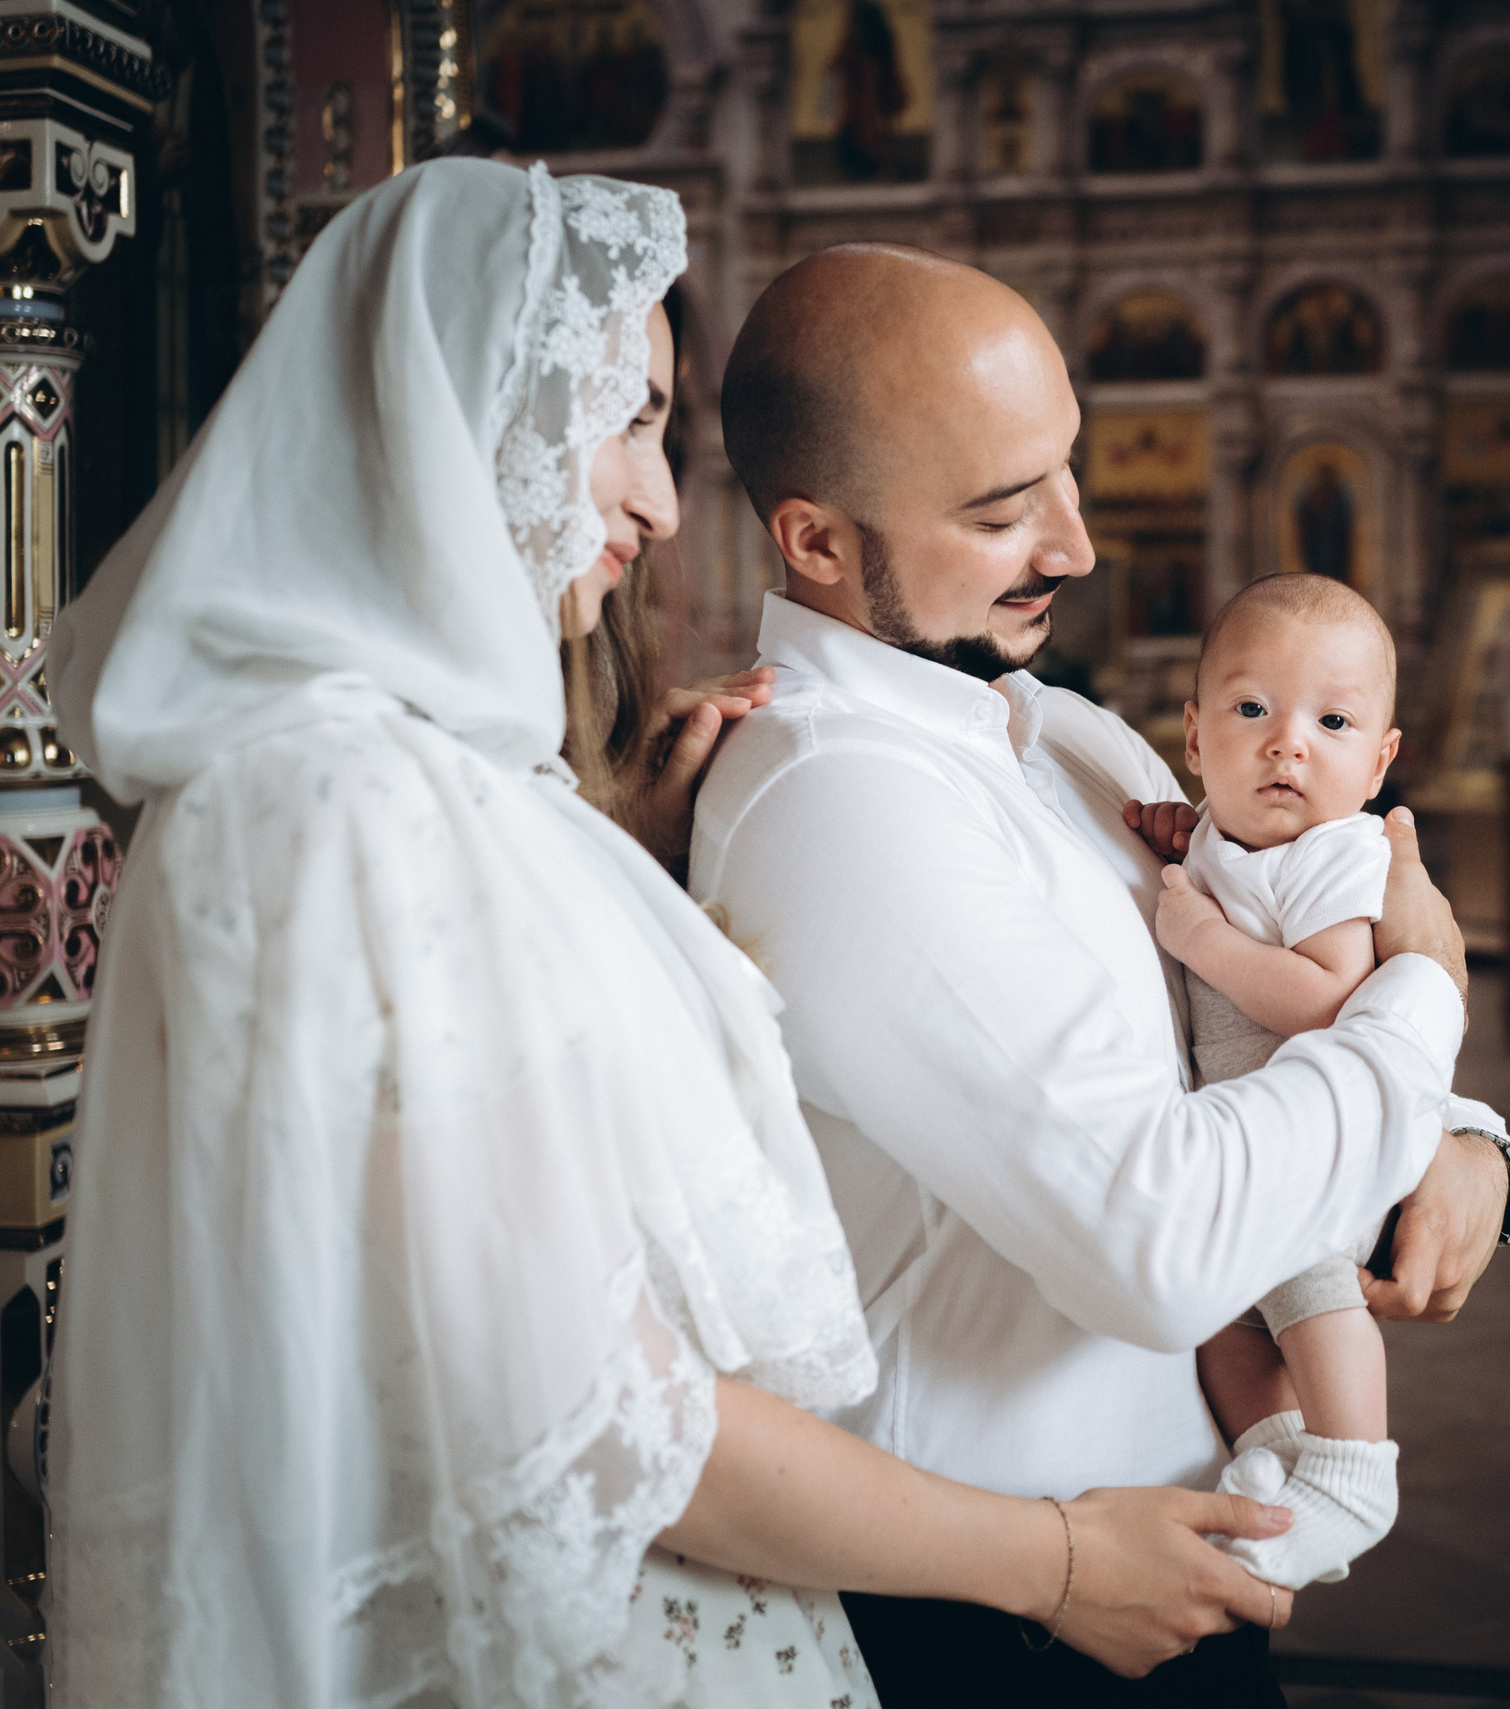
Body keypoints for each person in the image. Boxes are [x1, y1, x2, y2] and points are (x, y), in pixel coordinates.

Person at [43, 159, 1294, 1709]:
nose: (652, 494)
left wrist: (613, 861)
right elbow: (603, 1410)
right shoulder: (338, 806)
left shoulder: (456, 795)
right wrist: (1054, 1561)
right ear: (449, 426)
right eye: (621, 422)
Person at [694, 242, 1510, 1705]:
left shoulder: (1068, 738)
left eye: (1065, 474)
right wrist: (1428, 1000)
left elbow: (1238, 1034)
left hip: (1175, 1570)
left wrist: (1471, 1141)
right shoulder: (842, 799)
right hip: (999, 1625)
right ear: (816, 541)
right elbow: (1165, 1243)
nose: (1076, 542)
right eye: (1007, 508)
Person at [1148, 573, 1412, 1592]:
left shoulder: (1338, 855)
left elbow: (1324, 997)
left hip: (1311, 1149)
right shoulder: (1227, 834)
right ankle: (1276, 1451)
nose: (1286, 743)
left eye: (1332, 720)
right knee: (1220, 1319)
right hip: (1235, 1152)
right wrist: (1168, 833)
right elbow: (1210, 852)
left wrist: (1201, 935)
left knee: (1310, 1291)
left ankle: (1354, 1467)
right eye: (1251, 708)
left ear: (1379, 759)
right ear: (1193, 733)